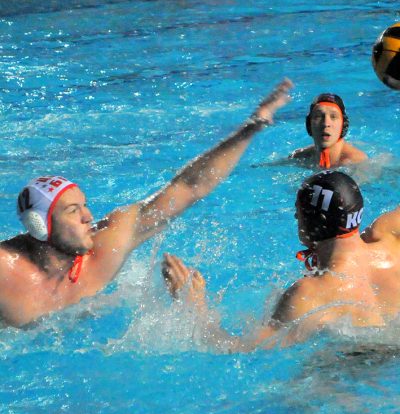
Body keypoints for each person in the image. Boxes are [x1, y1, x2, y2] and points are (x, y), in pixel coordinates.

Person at [0, 79, 292, 327]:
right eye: (73, 210)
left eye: (84, 205)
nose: (88, 216)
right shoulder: (6, 270)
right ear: (40, 225)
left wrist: (249, 130)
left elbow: (188, 187)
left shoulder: (107, 247)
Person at [162, 170, 400, 352]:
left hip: (348, 377)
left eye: (299, 211)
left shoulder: (311, 293)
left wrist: (196, 308)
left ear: (313, 221)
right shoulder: (390, 239)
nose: (296, 216)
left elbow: (240, 349)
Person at [289, 93, 367, 168]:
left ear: (343, 125)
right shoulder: (299, 157)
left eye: (333, 116)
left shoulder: (356, 162)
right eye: (318, 116)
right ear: (309, 124)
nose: (326, 123)